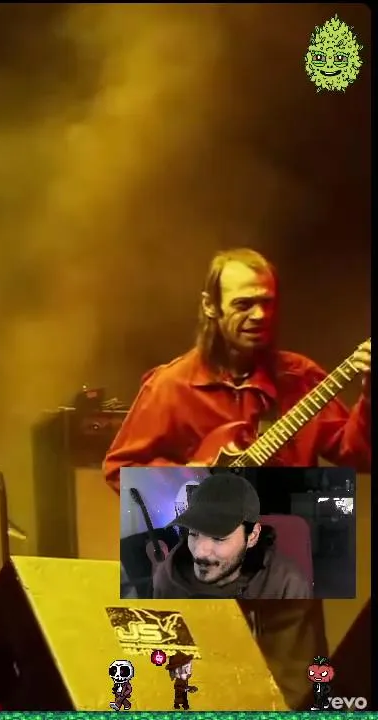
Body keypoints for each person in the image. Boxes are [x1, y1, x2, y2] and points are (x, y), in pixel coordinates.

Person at [102, 248, 371, 708]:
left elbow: (358, 453)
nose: (259, 315)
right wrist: (197, 491)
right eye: (244, 303)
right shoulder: (172, 386)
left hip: (286, 553)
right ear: (211, 306)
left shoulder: (299, 377)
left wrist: (369, 395)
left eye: (267, 302)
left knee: (301, 691)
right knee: (199, 688)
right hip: (202, 562)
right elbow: (120, 467)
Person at [153, 472, 311, 600]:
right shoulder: (168, 576)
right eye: (194, 533)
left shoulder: (286, 585)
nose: (200, 552)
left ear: (252, 536)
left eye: (218, 537)